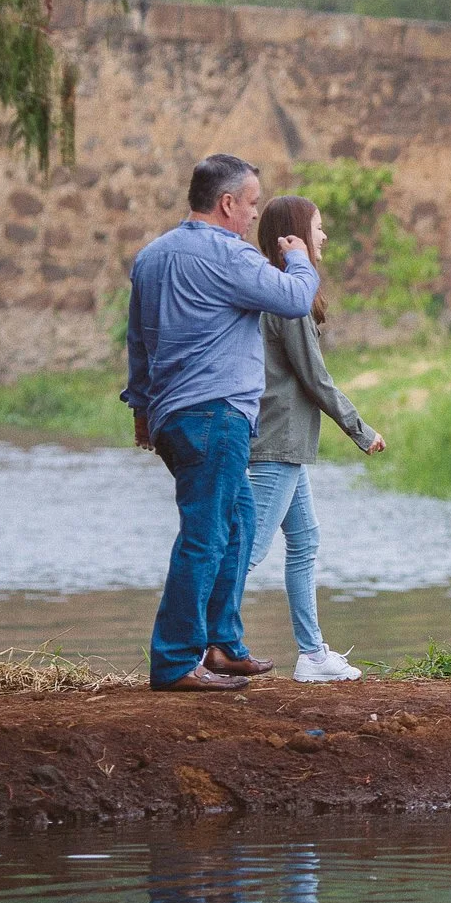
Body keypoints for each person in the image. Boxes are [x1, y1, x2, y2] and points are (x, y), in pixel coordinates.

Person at [123, 154, 319, 692]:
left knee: (237, 526)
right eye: (253, 204)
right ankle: (175, 661)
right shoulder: (229, 256)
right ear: (228, 203)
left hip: (173, 417)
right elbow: (297, 299)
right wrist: (299, 257)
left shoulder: (151, 257)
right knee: (206, 536)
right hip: (217, 414)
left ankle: (222, 644)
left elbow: (139, 344)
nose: (256, 215)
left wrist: (142, 412)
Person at [245, 194, 384, 684]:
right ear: (296, 236)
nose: (324, 237)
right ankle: (197, 647)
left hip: (287, 442)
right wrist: (360, 429)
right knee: (249, 549)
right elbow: (314, 377)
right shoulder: (288, 298)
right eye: (318, 228)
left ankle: (311, 654)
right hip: (277, 441)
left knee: (303, 539)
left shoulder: (276, 291)